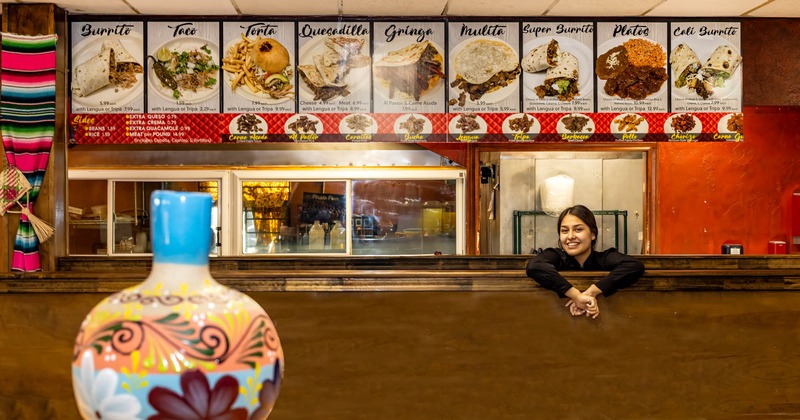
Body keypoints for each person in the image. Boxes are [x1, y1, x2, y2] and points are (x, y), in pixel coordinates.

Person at [525, 204, 644, 319]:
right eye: (564, 231)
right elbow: (535, 266)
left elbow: (634, 265)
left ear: (593, 234)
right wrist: (576, 295)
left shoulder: (603, 258)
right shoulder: (556, 255)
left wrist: (592, 292)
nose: (570, 236)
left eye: (578, 229)